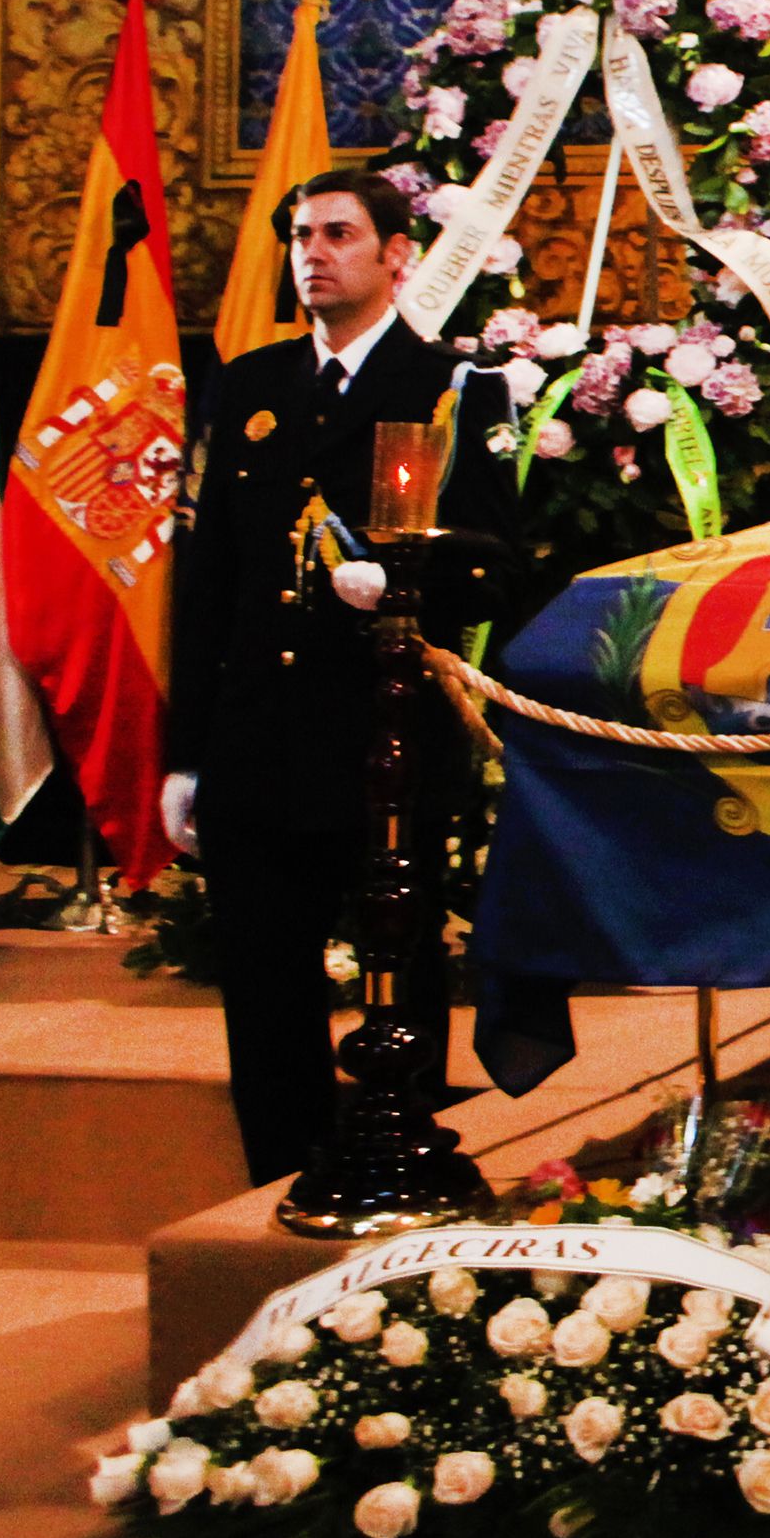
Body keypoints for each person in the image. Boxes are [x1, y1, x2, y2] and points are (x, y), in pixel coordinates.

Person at [167, 168, 480, 1185]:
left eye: (339, 234)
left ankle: (402, 1162)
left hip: (378, 730)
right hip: (257, 734)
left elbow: (497, 560)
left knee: (401, 966)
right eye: (301, 235)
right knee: (263, 980)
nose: (314, 253)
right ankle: (280, 1176)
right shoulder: (252, 384)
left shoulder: (449, 388)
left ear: (396, 255)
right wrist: (185, 754)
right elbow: (207, 576)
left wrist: (399, 588)